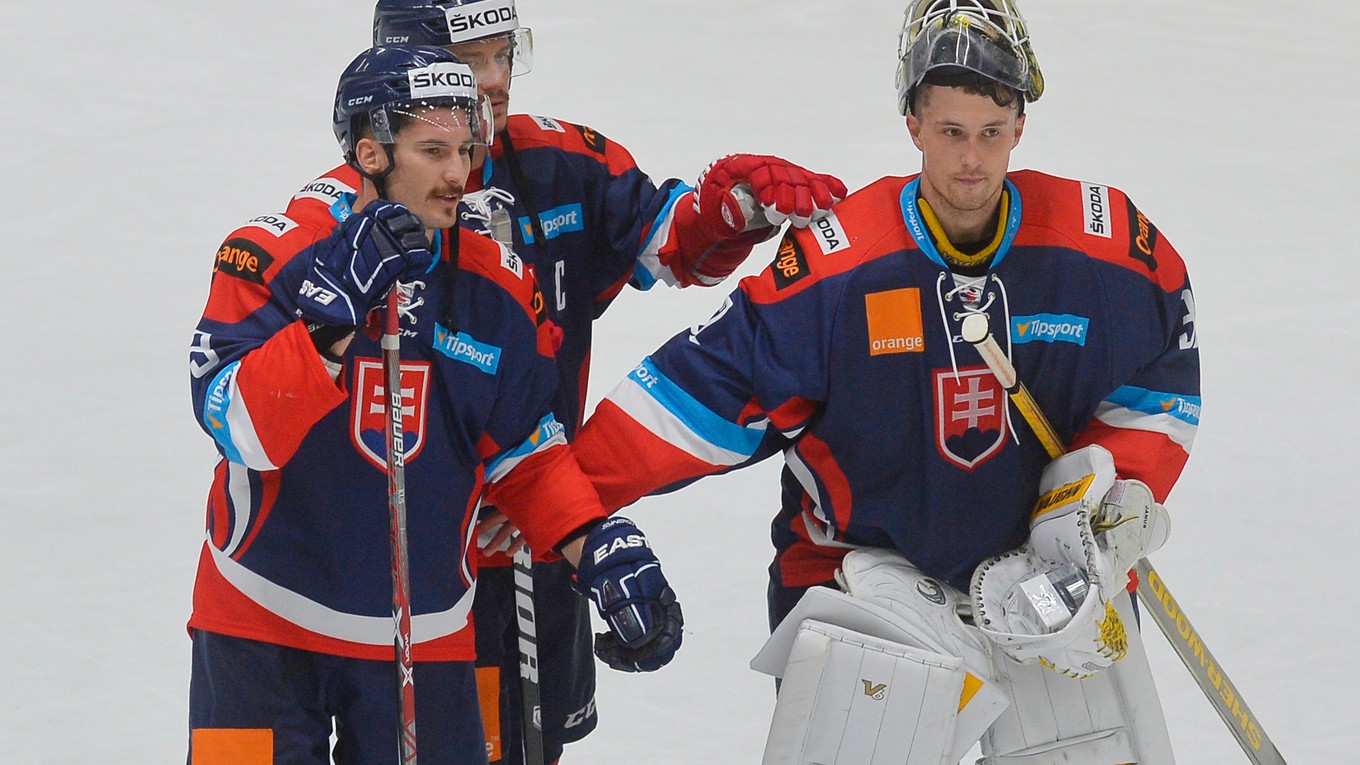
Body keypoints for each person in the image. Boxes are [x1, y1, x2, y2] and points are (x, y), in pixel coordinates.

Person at [570, 0, 1201, 761]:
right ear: (912, 125)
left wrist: (1106, 499)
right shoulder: (838, 276)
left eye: (992, 134)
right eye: (951, 133)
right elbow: (696, 392)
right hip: (863, 573)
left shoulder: (1100, 249)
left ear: (1021, 128)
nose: (972, 160)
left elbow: (1162, 364)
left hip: (1041, 572)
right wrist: (556, 498)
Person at [284, 2, 847, 763]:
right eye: (469, 59)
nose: (493, 82)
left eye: (503, 55)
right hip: (407, 571)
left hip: (549, 537)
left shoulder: (561, 162)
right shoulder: (348, 216)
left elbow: (666, 241)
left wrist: (728, 212)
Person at [185, 45, 681, 765]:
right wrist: (325, 330)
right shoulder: (271, 256)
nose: (460, 173)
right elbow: (237, 428)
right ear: (369, 152)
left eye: (467, 148)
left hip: (428, 633)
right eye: (433, 150)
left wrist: (592, 546)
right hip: (259, 624)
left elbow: (527, 454)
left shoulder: (499, 290)